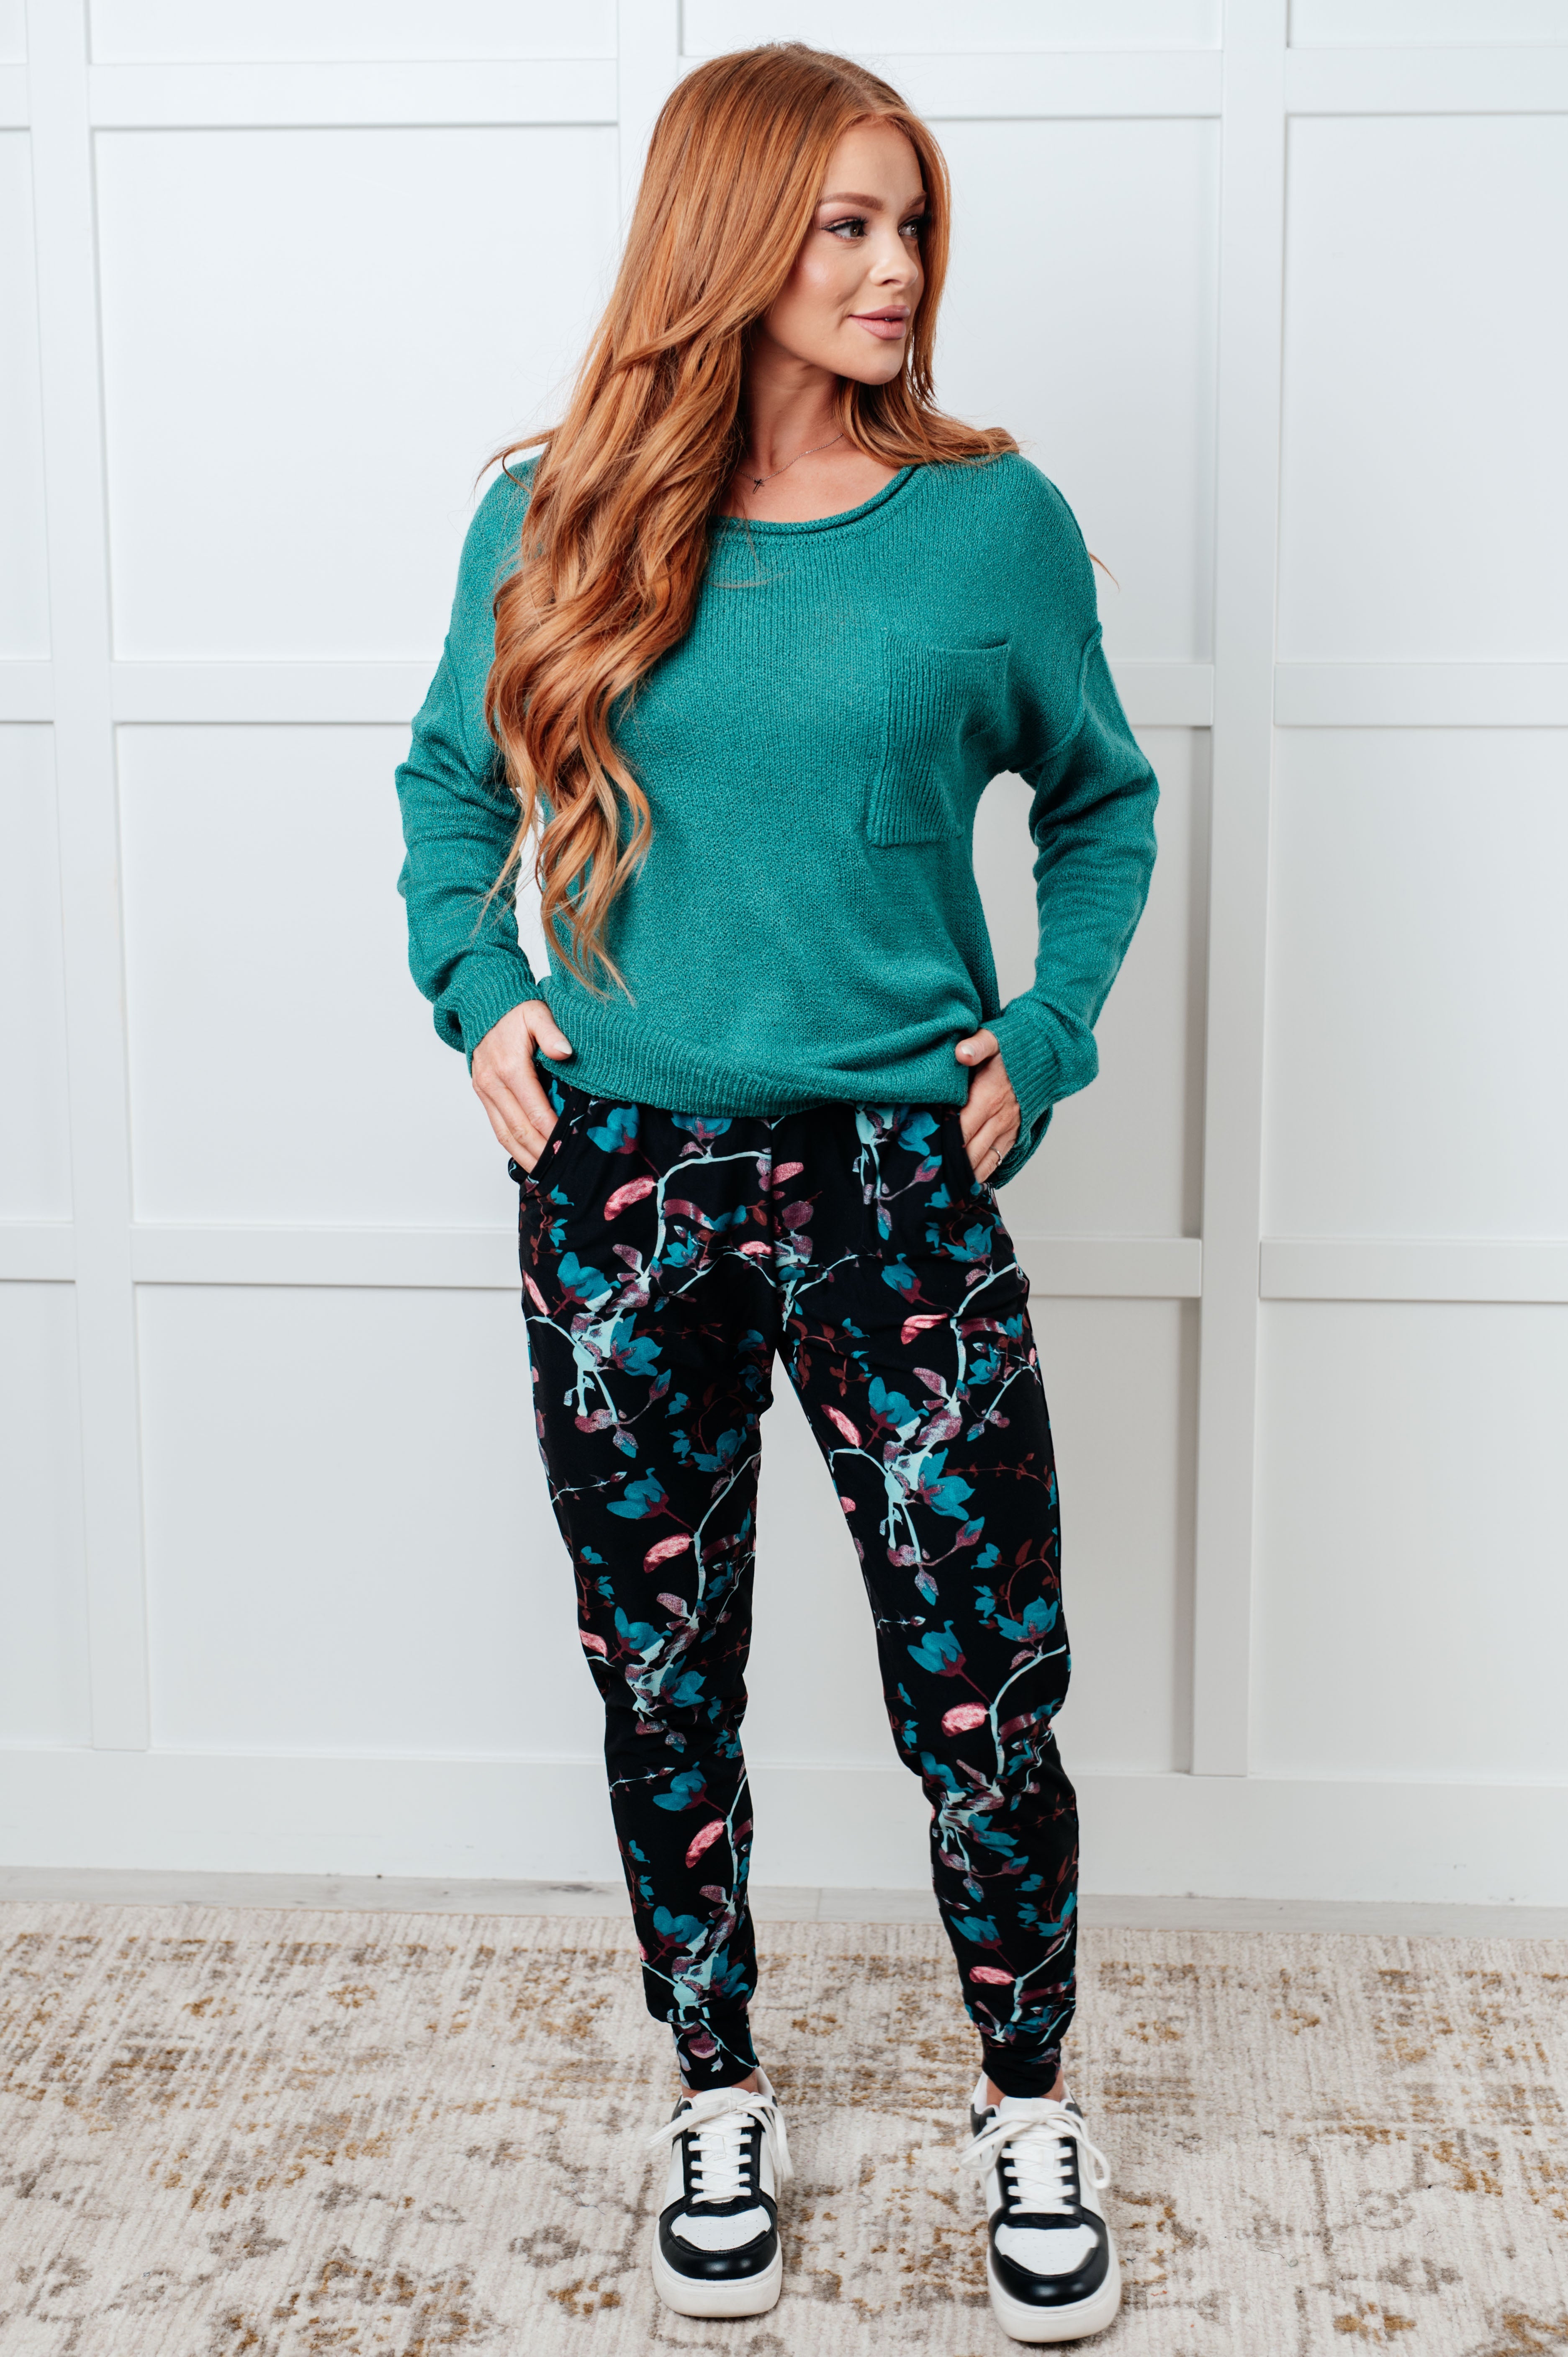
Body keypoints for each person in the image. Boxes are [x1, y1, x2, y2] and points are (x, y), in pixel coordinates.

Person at [395, 41, 1157, 2344]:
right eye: (845, 223)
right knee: (659, 1674)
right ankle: (712, 2083)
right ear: (727, 234)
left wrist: (1043, 1033)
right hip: (619, 1181)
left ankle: (1026, 2101)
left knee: (986, 1680)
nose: (895, 266)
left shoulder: (990, 528)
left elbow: (1103, 801)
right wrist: (479, 992)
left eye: (910, 223)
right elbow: (451, 787)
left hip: (899, 1187)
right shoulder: (552, 515)